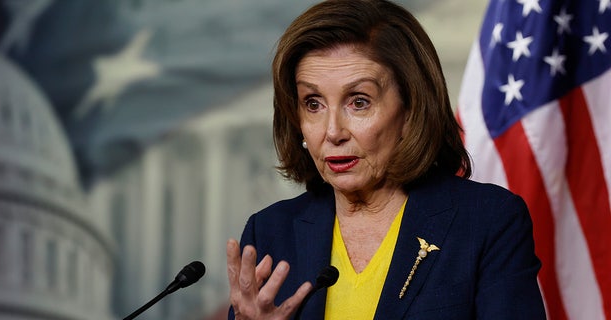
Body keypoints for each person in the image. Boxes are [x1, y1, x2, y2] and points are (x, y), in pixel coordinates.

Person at [226, 0, 547, 319]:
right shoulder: (269, 231)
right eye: (313, 104)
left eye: (359, 102)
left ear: (410, 110)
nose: (333, 131)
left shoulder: (487, 222)